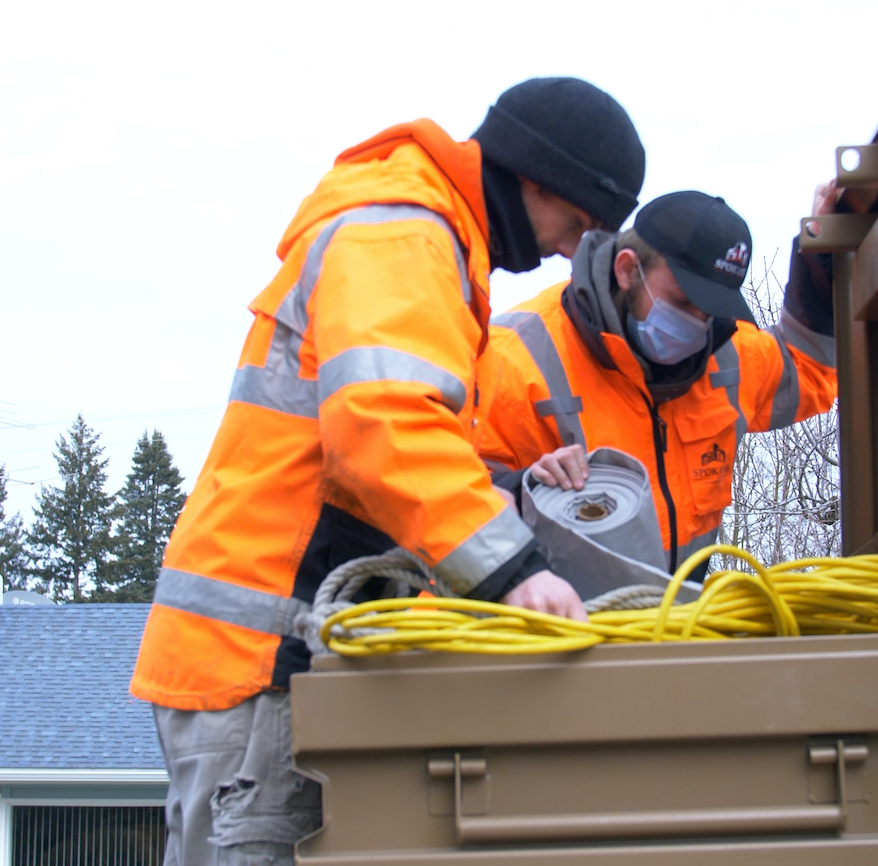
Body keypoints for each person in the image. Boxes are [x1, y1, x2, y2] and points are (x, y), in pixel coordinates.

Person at [131, 77, 646, 865]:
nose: (569, 250)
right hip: (261, 662)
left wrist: (509, 488)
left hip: (277, 659)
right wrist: (513, 568)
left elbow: (381, 432)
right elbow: (381, 427)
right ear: (534, 179)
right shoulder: (405, 232)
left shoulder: (422, 232)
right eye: (574, 222)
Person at [474, 188, 838, 570]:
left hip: (679, 619)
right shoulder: (513, 356)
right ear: (628, 270)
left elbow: (808, 367)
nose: (697, 326)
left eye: (710, 310)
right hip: (556, 622)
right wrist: (526, 489)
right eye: (682, 302)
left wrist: (823, 241)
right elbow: (444, 497)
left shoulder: (728, 354)